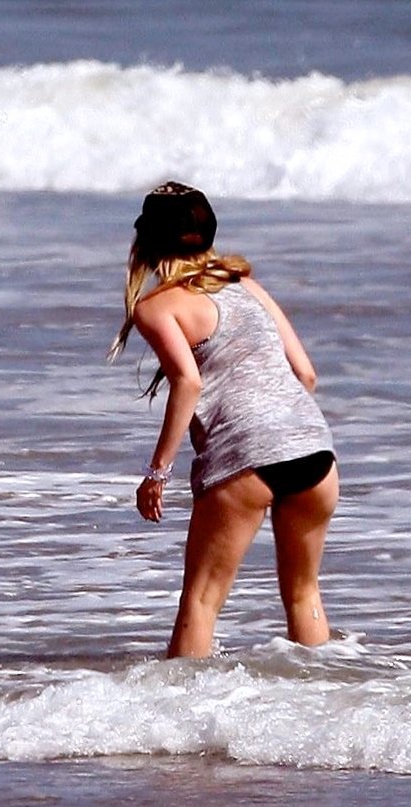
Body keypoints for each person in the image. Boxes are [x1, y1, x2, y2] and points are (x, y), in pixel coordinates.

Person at [108, 182, 338, 657]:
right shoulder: (246, 286)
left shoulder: (156, 306)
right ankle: (327, 695)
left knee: (201, 602)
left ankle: (178, 704)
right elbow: (306, 374)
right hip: (314, 451)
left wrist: (157, 473)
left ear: (147, 240)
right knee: (304, 594)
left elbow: (187, 383)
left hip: (244, 456)